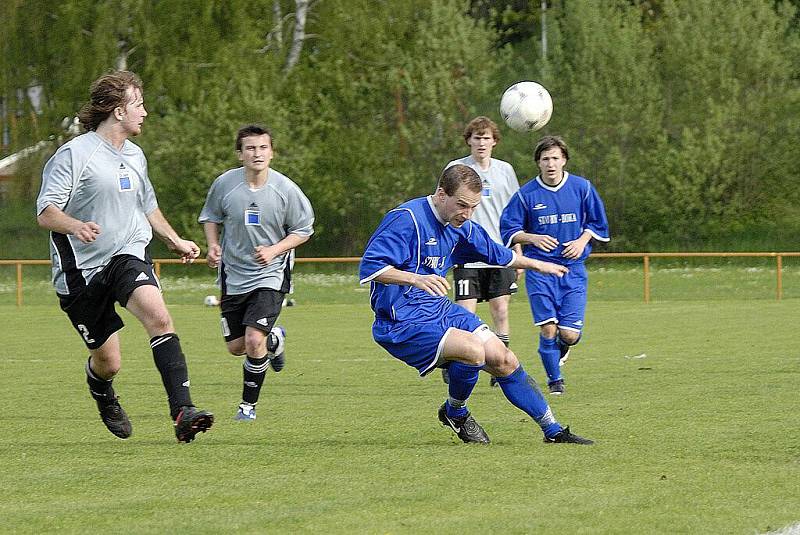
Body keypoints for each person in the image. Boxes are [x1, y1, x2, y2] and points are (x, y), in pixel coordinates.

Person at [35, 71, 214, 442]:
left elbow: (147, 207)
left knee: (160, 317)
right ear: (118, 111)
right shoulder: (75, 154)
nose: (145, 112)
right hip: (81, 271)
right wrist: (74, 226)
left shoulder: (135, 155)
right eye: (139, 105)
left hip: (128, 255)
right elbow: (45, 211)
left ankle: (183, 411)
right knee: (109, 363)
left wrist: (175, 239)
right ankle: (101, 390)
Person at [359, 164, 594, 445]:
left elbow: (498, 254)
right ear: (441, 194)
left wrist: (537, 264)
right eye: (461, 205)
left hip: (437, 309)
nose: (467, 214)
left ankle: (553, 431)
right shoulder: (406, 219)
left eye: (473, 207)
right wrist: (414, 279)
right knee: (473, 351)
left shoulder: (461, 226)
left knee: (503, 358)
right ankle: (456, 413)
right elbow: (370, 268)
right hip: (401, 320)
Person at [199, 124, 314, 422]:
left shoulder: (286, 189)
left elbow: (303, 230)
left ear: (272, 152)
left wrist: (275, 250)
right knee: (237, 347)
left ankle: (247, 407)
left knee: (252, 340)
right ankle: (274, 340)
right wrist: (212, 246)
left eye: (263, 147)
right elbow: (211, 217)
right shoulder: (225, 184)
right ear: (240, 154)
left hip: (271, 274)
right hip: (233, 275)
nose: (257, 153)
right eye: (250, 148)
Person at [500, 135, 610, 396]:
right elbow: (509, 229)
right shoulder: (526, 195)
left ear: (564, 160)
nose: (550, 163)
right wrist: (532, 237)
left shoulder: (582, 188)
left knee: (569, 334)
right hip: (540, 269)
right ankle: (555, 381)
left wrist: (582, 240)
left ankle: (564, 344)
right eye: (545, 159)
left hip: (573, 269)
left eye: (555, 158)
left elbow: (598, 225)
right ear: (538, 163)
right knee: (548, 327)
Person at [444, 116, 522, 387]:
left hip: (499, 251)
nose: (481, 142)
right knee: (465, 312)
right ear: (468, 140)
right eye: (476, 137)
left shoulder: (505, 171)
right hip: (466, 252)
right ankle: (457, 359)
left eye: (486, 137)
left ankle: (500, 364)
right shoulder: (456, 168)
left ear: (495, 142)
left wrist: (518, 249)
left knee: (500, 310)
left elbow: (514, 213)